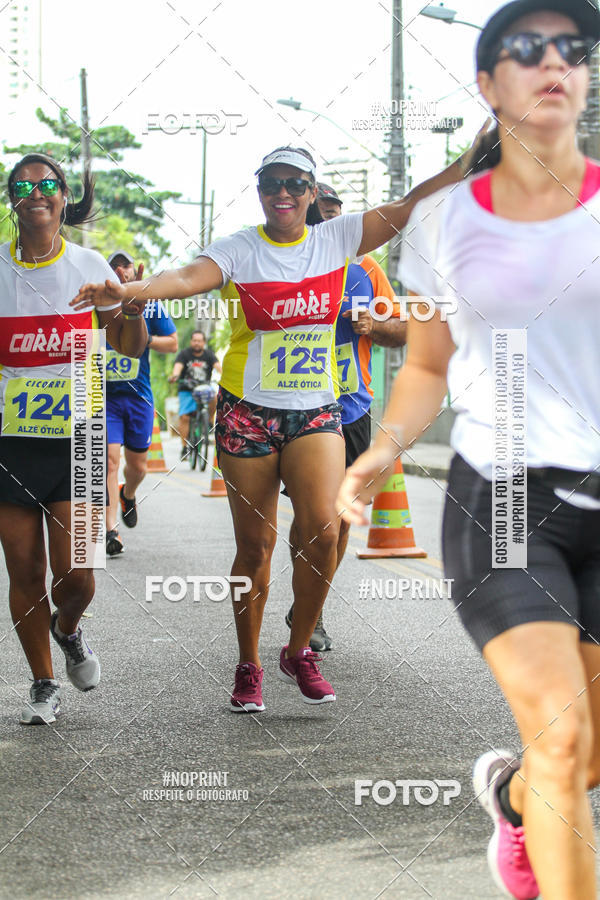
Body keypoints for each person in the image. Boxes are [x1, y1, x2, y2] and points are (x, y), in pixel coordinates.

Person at [337, 2, 600, 897]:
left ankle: (516, 803)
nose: (555, 64)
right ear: (488, 89)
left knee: (583, 758)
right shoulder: (449, 225)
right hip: (508, 498)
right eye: (528, 51)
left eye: (573, 49)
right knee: (562, 739)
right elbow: (427, 363)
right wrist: (384, 449)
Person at [72, 142, 477, 714]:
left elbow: (411, 203)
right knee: (255, 547)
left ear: (312, 193)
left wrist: (469, 162)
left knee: (326, 530)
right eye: (270, 184)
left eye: (293, 184)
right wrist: (131, 291)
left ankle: (297, 649)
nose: (281, 194)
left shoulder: (337, 240)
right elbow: (188, 277)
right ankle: (249, 662)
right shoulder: (241, 248)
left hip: (315, 409)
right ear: (260, 192)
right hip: (247, 412)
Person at [1, 153, 148, 724]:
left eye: (47, 184)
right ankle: (41, 683)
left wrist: (130, 304)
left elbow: (130, 347)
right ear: (13, 198)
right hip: (10, 440)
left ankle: (68, 629)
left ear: (64, 198)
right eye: (23, 184)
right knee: (25, 571)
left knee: (77, 576)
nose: (35, 191)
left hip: (81, 434)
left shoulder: (88, 264)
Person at [286, 183, 406, 651]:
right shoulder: (284, 265)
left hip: (350, 407)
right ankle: (307, 601)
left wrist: (374, 326)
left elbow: (401, 330)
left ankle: (309, 610)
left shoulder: (366, 269)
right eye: (321, 215)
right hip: (295, 406)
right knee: (311, 518)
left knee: (338, 520)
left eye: (337, 215)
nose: (329, 223)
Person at [105, 250, 178, 556]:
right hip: (103, 397)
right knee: (109, 461)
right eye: (115, 266)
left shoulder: (149, 305)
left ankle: (128, 493)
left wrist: (141, 339)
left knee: (138, 467)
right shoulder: (99, 307)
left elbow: (173, 343)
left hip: (138, 397)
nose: (122, 270)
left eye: (126, 265)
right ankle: (111, 531)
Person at [168, 330, 221, 459]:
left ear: (204, 342)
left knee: (214, 397)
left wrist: (225, 376)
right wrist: (175, 375)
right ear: (191, 341)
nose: (197, 343)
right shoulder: (184, 354)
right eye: (195, 340)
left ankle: (208, 420)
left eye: (199, 340)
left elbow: (218, 367)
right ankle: (184, 447)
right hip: (187, 389)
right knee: (185, 417)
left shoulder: (209, 355)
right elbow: (178, 367)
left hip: (204, 389)